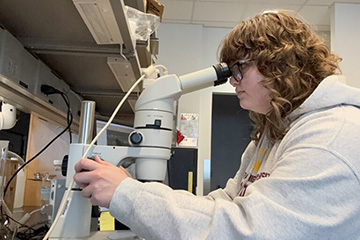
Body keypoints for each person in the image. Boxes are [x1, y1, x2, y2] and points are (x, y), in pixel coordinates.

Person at [74, 10, 360, 239]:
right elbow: (224, 205)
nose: (233, 80)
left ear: (279, 64)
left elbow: (247, 232)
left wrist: (128, 194)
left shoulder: (331, 137)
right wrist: (132, 192)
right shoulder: (272, 136)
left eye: (239, 69)